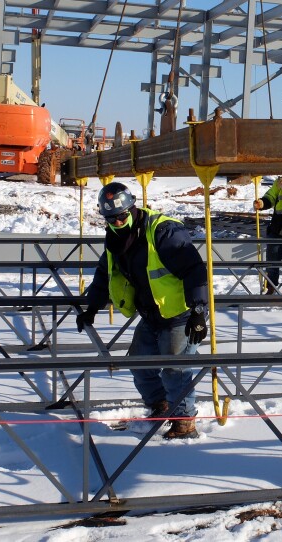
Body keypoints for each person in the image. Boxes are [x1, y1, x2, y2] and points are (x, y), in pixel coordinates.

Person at [76, 182, 208, 439]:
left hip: (179, 314)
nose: (116, 223)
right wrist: (92, 307)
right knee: (139, 363)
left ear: (132, 208)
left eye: (121, 217)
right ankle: (161, 406)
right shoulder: (116, 239)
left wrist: (199, 311)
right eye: (110, 219)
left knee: (175, 368)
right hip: (151, 314)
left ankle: (184, 423)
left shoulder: (163, 232)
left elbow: (194, 269)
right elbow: (105, 273)